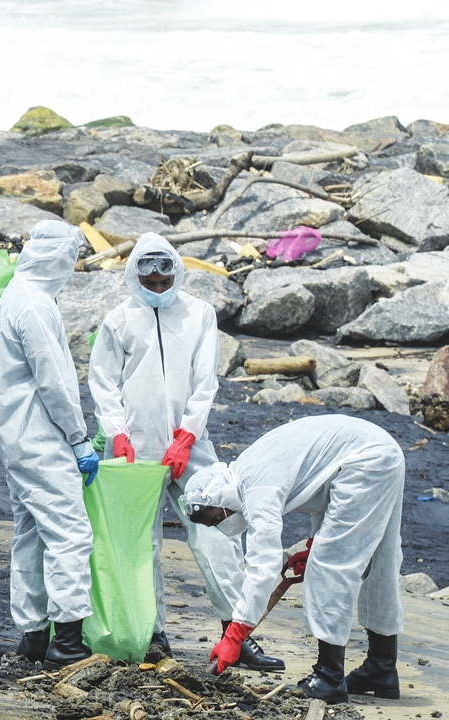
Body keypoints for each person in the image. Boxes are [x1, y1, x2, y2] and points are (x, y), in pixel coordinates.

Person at [88, 233, 283, 670]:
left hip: (190, 447)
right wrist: (117, 433)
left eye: (164, 279)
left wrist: (187, 436)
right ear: (134, 276)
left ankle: (238, 632)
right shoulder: (119, 320)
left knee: (216, 536)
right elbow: (103, 382)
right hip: (134, 451)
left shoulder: (199, 314)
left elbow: (205, 382)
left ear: (176, 271)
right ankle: (152, 634)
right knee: (141, 544)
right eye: (149, 281)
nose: (158, 287)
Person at [186, 415, 405, 704]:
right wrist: (313, 544)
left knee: (329, 567)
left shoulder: (253, 486)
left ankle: (328, 677)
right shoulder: (248, 471)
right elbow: (320, 485)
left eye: (216, 517)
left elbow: (263, 565)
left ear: (218, 496)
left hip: (366, 460)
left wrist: (235, 633)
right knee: (380, 560)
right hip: (377, 452)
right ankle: (382, 668)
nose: (220, 524)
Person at [0, 219, 101, 668]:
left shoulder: (15, 296)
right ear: (60, 257)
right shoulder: (33, 304)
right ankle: (67, 641)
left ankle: (32, 633)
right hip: (40, 437)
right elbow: (55, 382)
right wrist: (79, 438)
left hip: (14, 438)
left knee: (30, 535)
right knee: (69, 535)